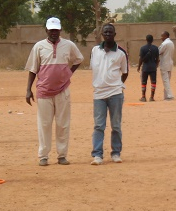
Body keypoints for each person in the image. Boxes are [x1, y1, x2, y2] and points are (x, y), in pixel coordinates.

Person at [25, 17, 84, 166]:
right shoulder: (39, 47)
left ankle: (62, 155)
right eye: (51, 30)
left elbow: (78, 59)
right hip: (44, 91)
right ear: (46, 30)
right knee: (44, 124)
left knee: (63, 124)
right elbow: (33, 69)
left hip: (63, 90)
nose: (54, 32)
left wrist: (68, 73)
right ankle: (43, 156)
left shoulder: (68, 45)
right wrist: (28, 90)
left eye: (56, 30)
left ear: (60, 30)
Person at [89, 24, 129, 166]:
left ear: (114, 34)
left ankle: (116, 153)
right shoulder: (94, 51)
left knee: (116, 125)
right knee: (99, 125)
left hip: (115, 94)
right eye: (105, 31)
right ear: (101, 33)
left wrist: (118, 84)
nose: (107, 34)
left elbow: (125, 72)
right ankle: (97, 155)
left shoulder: (121, 53)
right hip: (98, 94)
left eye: (110, 32)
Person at [137, 35, 159, 102]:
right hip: (153, 67)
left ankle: (143, 97)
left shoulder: (143, 48)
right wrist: (156, 65)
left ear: (146, 39)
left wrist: (139, 66)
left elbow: (141, 59)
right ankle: (151, 97)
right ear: (152, 40)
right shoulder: (156, 48)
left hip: (145, 67)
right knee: (153, 82)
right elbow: (157, 58)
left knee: (144, 82)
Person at [158, 31, 174, 100]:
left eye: (162, 36)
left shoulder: (165, 44)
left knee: (165, 80)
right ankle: (166, 95)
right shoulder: (171, 43)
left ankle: (170, 95)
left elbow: (159, 52)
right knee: (167, 80)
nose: (161, 37)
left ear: (166, 36)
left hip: (164, 63)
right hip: (170, 63)